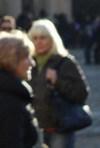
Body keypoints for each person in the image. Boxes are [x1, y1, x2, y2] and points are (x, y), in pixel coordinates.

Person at [27, 18, 90, 148]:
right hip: (34, 127)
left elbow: (81, 93)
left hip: (60, 126)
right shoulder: (28, 63)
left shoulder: (64, 62)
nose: (38, 42)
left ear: (52, 39)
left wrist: (58, 82)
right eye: (35, 38)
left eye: (43, 38)